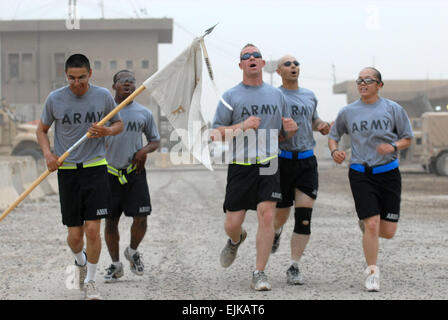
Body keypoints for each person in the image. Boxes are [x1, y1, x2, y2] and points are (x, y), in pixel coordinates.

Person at [211, 44, 298, 291]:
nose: (251, 58)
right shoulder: (230, 97)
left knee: (267, 215)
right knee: (232, 222)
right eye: (246, 56)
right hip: (240, 165)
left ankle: (259, 272)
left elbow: (284, 134)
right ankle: (235, 240)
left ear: (262, 63)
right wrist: (243, 126)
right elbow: (215, 133)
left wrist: (292, 131)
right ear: (240, 65)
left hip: (269, 162)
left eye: (256, 56)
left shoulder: (277, 95)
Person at [36, 54, 123, 300]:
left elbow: (119, 125)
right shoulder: (55, 99)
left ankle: (91, 281)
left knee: (93, 229)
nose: (77, 83)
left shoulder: (103, 96)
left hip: (96, 168)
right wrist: (48, 154)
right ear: (66, 76)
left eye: (81, 77)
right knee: (75, 237)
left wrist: (106, 130)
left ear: (90, 74)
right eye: (72, 78)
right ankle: (80, 260)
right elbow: (41, 130)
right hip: (67, 171)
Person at [328, 67, 413, 292]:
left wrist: (393, 146)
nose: (362, 84)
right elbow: (333, 136)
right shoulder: (348, 111)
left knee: (388, 231)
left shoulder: (393, 109)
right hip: (360, 172)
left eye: (368, 80)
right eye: (359, 80)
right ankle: (372, 272)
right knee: (373, 223)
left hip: (389, 173)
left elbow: (408, 138)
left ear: (379, 85)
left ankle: (366, 226)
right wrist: (335, 151)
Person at [271, 55, 330, 285]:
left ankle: (294, 266)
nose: (293, 66)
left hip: (307, 161)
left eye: (296, 64)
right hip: (281, 161)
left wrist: (322, 126)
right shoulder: (274, 97)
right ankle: (276, 232)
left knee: (304, 218)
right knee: (281, 214)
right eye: (287, 64)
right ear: (278, 71)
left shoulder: (309, 95)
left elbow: (314, 120)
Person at [103, 70, 160, 282]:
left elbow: (154, 140)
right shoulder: (105, 112)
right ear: (114, 86)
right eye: (122, 81)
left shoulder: (143, 113)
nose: (127, 84)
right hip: (109, 174)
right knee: (110, 221)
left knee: (142, 217)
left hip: (134, 172)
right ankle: (116, 264)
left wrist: (144, 151)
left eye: (131, 81)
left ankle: (133, 251)